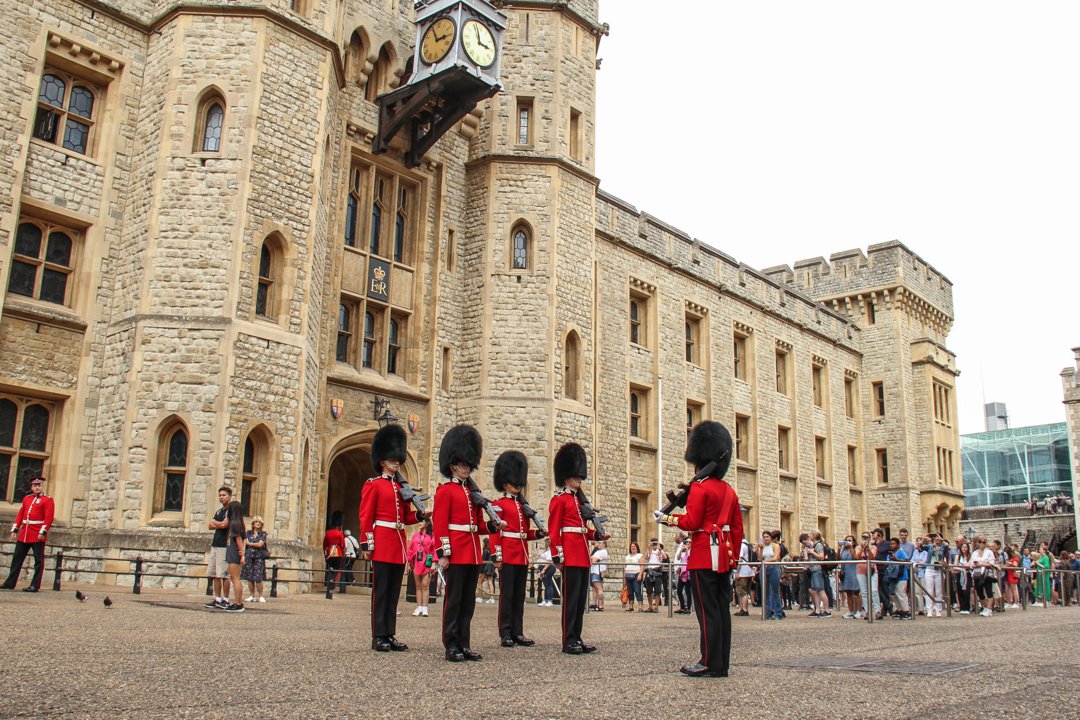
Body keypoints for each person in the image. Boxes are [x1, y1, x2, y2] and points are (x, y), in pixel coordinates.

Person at [655, 421, 743, 678]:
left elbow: (692, 523)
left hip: (704, 555)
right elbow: (737, 530)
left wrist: (667, 519)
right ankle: (720, 663)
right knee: (721, 610)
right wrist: (733, 559)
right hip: (724, 559)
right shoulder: (729, 491)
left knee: (705, 611)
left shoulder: (700, 488)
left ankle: (707, 661)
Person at [434, 424, 502, 662]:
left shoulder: (474, 493)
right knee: (453, 601)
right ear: (452, 465)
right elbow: (441, 524)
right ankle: (451, 644)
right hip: (456, 551)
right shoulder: (445, 491)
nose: (466, 469)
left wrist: (493, 526)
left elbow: (479, 525)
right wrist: (443, 552)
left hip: (473, 552)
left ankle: (464, 642)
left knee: (468, 602)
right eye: (462, 465)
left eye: (468, 465)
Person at [358, 423, 424, 652]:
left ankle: (390, 633)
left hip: (397, 544)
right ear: (382, 460)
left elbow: (405, 517)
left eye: (398, 459)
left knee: (393, 593)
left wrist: (422, 514)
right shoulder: (373, 485)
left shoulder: (400, 488)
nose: (397, 462)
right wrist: (367, 544)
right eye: (393, 459)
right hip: (383, 542)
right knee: (382, 592)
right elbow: (366, 516)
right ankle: (378, 636)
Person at [549, 442, 608, 655]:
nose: (578, 480)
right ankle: (568, 640)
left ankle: (577, 636)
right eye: (575, 477)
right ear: (565, 477)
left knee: (580, 601)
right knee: (571, 601)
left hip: (583, 556)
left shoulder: (580, 502)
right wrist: (558, 556)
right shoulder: (560, 500)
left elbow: (583, 531)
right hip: (571, 557)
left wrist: (599, 534)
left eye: (580, 477)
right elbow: (555, 531)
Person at [489, 450, 545, 647]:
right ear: (505, 484)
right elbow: (496, 532)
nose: (518, 486)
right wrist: (497, 555)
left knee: (519, 595)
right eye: (514, 482)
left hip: (521, 555)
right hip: (508, 554)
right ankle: (505, 632)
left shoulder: (523, 507)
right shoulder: (499, 504)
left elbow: (525, 534)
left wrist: (538, 534)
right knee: (507, 595)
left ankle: (517, 631)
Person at [2, 476, 54, 592]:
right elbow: (21, 514)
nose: (37, 487)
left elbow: (48, 517)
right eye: (35, 485)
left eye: (39, 485)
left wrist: (43, 531)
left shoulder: (47, 500)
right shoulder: (27, 498)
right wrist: (15, 528)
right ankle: (10, 583)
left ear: (42, 486)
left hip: (37, 533)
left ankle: (35, 585)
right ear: (31, 487)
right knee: (17, 559)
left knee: (38, 561)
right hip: (25, 532)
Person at [204, 486, 233, 610]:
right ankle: (217, 598)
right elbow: (210, 525)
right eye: (220, 495)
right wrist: (218, 524)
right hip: (215, 544)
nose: (221, 497)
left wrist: (218, 524)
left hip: (224, 546)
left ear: (230, 496)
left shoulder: (231, 511)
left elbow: (225, 524)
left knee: (224, 574)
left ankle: (226, 599)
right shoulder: (219, 511)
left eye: (224, 495)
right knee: (215, 574)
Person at [408, 520, 436, 616]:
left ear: (427, 524)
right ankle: (418, 607)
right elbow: (411, 549)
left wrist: (434, 563)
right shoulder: (415, 535)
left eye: (422, 522)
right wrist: (409, 562)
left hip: (427, 563)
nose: (419, 523)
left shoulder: (432, 536)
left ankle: (425, 607)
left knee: (425, 585)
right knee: (418, 586)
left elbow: (434, 550)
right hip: (417, 562)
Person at [222, 500, 246, 612]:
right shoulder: (240, 523)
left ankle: (238, 603)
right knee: (235, 578)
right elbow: (243, 538)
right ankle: (238, 602)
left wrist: (242, 554)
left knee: (235, 578)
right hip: (233, 551)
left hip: (233, 551)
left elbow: (238, 539)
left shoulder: (234, 524)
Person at [241, 515, 269, 604]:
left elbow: (260, 544)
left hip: (258, 557)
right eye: (257, 522)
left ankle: (261, 596)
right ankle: (252, 596)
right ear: (253, 523)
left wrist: (250, 543)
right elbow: (244, 543)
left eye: (260, 522)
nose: (258, 524)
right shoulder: (248, 533)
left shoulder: (262, 534)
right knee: (250, 578)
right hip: (249, 556)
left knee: (258, 578)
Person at [758, 531, 783, 620]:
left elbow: (776, 557)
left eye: (767, 537)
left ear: (771, 538)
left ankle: (778, 612)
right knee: (765, 591)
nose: (765, 539)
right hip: (764, 569)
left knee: (775, 591)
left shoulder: (775, 546)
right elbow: (760, 559)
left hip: (773, 568)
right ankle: (767, 612)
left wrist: (766, 562)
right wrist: (760, 549)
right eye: (764, 537)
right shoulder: (762, 547)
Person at [854, 532, 879, 620]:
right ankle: (867, 610)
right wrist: (862, 548)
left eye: (867, 537)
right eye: (863, 537)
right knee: (864, 592)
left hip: (872, 570)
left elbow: (872, 557)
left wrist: (867, 548)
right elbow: (857, 556)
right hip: (861, 570)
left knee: (874, 590)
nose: (865, 539)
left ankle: (877, 611)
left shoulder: (873, 547)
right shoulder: (857, 547)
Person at [805, 531, 830, 618]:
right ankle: (817, 610)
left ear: (815, 536)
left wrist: (812, 553)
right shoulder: (813, 545)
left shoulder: (819, 545)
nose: (810, 536)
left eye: (811, 534)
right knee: (815, 590)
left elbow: (821, 557)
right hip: (813, 569)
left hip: (817, 569)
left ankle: (827, 610)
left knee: (821, 590)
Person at [886, 537, 911, 619]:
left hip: (901, 575)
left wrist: (896, 559)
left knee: (901, 593)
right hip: (893, 576)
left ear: (898, 544)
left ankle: (906, 610)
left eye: (893, 544)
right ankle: (899, 609)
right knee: (895, 594)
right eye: (891, 544)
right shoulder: (891, 553)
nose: (892, 545)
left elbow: (906, 560)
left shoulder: (900, 551)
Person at [323, 513, 346, 597]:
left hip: (329, 553)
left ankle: (329, 587)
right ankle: (332, 584)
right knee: (337, 570)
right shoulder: (340, 533)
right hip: (338, 553)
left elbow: (325, 544)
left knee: (330, 569)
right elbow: (343, 545)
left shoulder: (328, 533)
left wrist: (325, 554)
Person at [838, 536, 861, 619]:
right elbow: (839, 559)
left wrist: (851, 547)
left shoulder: (856, 549)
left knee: (856, 592)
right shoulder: (843, 550)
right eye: (846, 540)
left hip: (854, 572)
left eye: (849, 540)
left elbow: (855, 558)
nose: (847, 542)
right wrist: (839, 549)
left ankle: (858, 610)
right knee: (848, 592)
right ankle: (851, 610)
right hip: (846, 572)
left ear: (853, 542)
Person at [644, 537, 666, 612]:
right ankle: (650, 606)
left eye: (655, 543)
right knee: (649, 591)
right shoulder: (649, 551)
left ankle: (656, 607)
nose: (654, 545)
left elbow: (665, 557)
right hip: (650, 571)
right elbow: (645, 558)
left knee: (657, 590)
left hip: (657, 571)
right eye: (653, 543)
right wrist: (648, 548)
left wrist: (660, 548)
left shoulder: (659, 551)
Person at [675, 536, 695, 614]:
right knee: (679, 590)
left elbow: (690, 559)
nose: (687, 544)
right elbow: (678, 557)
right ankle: (682, 607)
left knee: (688, 591)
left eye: (689, 542)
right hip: (682, 572)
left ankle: (688, 608)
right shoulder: (683, 550)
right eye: (686, 542)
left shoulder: (692, 551)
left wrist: (687, 550)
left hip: (688, 572)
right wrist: (681, 550)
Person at [624, 541, 645, 612]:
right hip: (628, 575)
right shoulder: (627, 556)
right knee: (630, 591)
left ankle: (640, 606)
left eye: (634, 546)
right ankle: (631, 606)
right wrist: (624, 577)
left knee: (637, 591)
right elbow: (625, 567)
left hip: (636, 574)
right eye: (631, 546)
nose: (633, 548)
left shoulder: (639, 555)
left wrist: (640, 574)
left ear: (637, 548)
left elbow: (642, 565)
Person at [536, 540, 557, 607]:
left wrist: (544, 570)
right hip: (545, 568)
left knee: (548, 585)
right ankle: (545, 600)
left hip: (548, 568)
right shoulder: (547, 551)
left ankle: (550, 600)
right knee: (546, 585)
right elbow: (541, 556)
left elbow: (549, 561)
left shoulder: (550, 551)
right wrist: (538, 550)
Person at [589, 540, 608, 612]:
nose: (598, 544)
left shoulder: (603, 551)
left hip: (597, 572)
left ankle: (601, 605)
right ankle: (596, 604)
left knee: (599, 589)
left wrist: (592, 558)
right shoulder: (598, 551)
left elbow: (593, 560)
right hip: (594, 571)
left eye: (600, 543)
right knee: (595, 589)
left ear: (604, 544)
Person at [479, 538, 497, 603]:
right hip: (491, 567)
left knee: (480, 582)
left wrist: (480, 571)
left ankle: (480, 597)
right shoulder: (491, 550)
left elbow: (483, 561)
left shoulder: (485, 550)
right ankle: (492, 598)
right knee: (490, 582)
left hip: (485, 568)